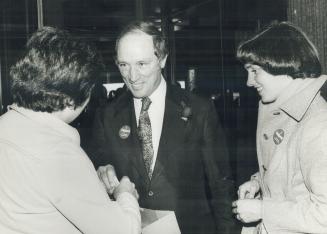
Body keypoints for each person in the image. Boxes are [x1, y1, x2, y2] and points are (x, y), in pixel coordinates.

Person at [87, 20, 234, 233]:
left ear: (162, 59)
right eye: (123, 65)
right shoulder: (107, 115)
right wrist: (100, 172)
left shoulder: (199, 110)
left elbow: (221, 186)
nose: (132, 76)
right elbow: (98, 171)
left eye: (141, 64)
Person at [0, 26, 141, 234]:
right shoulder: (58, 152)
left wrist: (92, 186)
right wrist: (125, 194)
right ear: (70, 100)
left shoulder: (5, 125)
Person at [232, 21, 327, 233]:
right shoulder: (281, 108)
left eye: (254, 71)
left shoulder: (318, 124)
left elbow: (324, 216)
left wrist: (263, 210)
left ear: (281, 63)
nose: (249, 82)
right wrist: (258, 182)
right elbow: (292, 170)